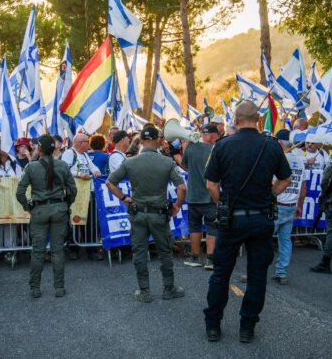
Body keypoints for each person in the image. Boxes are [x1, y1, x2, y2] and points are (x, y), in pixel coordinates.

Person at [202, 100, 291, 343]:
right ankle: (247, 327)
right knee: (257, 275)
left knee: (221, 273)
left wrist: (224, 203)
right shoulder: (272, 146)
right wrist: (269, 194)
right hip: (261, 218)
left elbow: (211, 184)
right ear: (258, 120)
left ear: (236, 121)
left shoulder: (223, 146)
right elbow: (286, 179)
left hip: (232, 220)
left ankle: (213, 325)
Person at [106, 124, 187, 304]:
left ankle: (144, 291)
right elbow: (181, 187)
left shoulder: (130, 162)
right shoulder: (167, 162)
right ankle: (168, 288)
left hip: (138, 213)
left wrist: (124, 198)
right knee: (165, 251)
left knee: (140, 252)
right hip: (159, 214)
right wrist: (177, 205)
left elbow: (110, 183)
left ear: (141, 141)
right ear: (158, 141)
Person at [16, 134, 77, 298]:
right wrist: (66, 204)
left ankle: (35, 288)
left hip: (39, 210)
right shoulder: (63, 165)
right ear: (53, 148)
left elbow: (20, 192)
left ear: (39, 148)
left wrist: (28, 207)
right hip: (59, 210)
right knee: (58, 251)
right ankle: (59, 288)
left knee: (38, 251)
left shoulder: (31, 167)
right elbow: (73, 190)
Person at [271, 129, 307, 284]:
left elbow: (272, 183)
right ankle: (281, 272)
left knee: (262, 240)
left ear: (279, 142)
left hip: (277, 205)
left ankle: (256, 272)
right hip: (291, 205)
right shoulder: (300, 160)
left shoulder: (278, 159)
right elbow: (303, 187)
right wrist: (299, 205)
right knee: (285, 241)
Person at [182, 124, 219, 270]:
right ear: (212, 135)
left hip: (193, 196)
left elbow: (184, 166)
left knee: (194, 227)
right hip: (209, 196)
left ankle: (195, 258)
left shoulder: (190, 148)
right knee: (212, 228)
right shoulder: (214, 149)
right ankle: (210, 260)